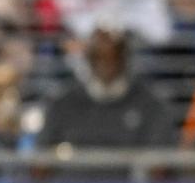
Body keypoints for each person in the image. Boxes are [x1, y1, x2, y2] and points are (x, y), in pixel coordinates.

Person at [38, 25, 175, 149]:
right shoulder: (62, 104)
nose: (106, 65)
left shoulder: (151, 105)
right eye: (98, 58)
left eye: (113, 56)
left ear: (124, 57)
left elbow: (160, 163)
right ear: (89, 59)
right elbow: (41, 162)